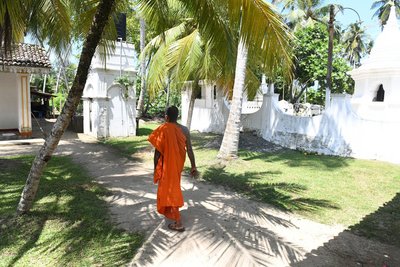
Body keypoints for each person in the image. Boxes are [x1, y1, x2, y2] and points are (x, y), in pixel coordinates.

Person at [148, 106, 197, 232]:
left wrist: (155, 169)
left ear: (166, 117)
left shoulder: (163, 129)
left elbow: (157, 153)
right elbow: (190, 150)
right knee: (173, 187)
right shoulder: (184, 130)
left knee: (171, 189)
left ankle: (178, 222)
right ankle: (173, 213)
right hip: (177, 165)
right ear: (177, 116)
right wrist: (193, 166)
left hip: (167, 166)